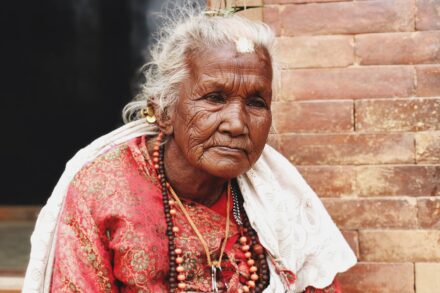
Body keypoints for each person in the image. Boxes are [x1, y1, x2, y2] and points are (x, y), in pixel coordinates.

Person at [23, 5, 356, 293]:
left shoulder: (279, 199)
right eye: (215, 98)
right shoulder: (102, 189)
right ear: (164, 111)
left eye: (256, 102)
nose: (237, 124)